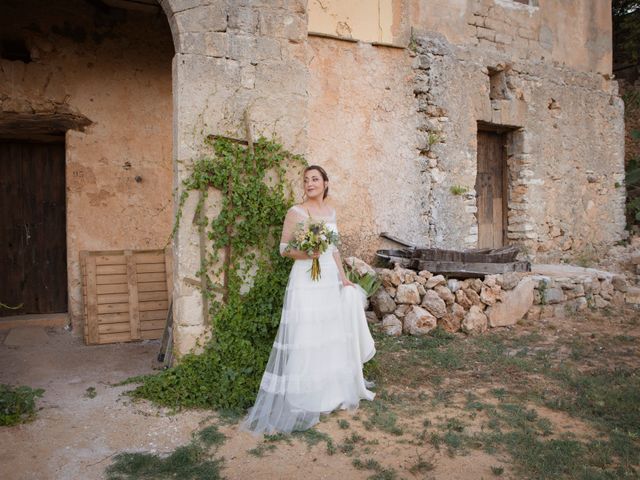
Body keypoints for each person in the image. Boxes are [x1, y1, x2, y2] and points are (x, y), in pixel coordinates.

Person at [241, 165, 376, 435]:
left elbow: (334, 249)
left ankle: (331, 393)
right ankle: (306, 397)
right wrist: (308, 254)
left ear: (326, 183)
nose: (310, 183)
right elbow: (284, 249)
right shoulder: (296, 212)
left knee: (328, 334)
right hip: (305, 280)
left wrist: (343, 278)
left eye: (315, 179)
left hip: (327, 280)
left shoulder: (331, 212)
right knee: (306, 333)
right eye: (306, 180)